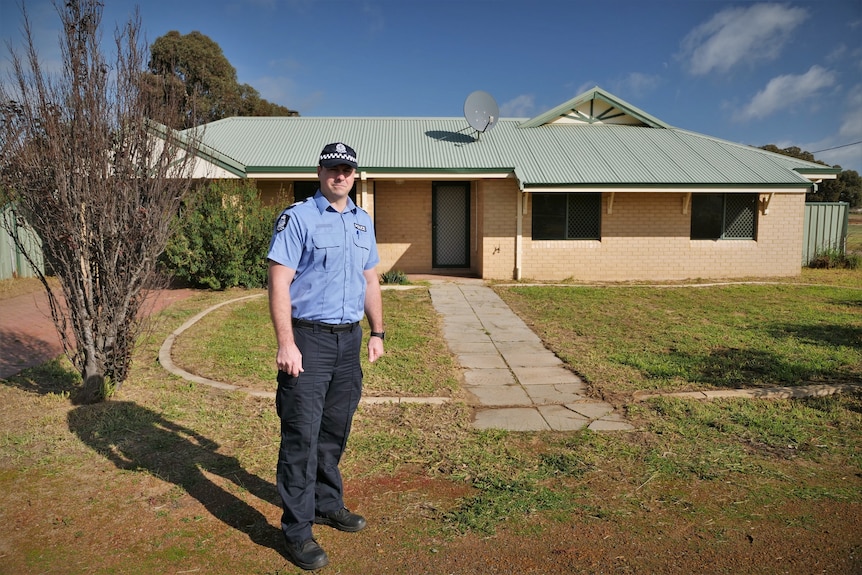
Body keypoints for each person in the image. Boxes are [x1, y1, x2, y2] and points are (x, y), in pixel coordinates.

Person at [266, 142, 385, 571]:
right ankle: (297, 531)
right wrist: (286, 342)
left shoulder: (362, 222)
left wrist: (377, 331)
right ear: (320, 172)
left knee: (335, 429)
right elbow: (279, 282)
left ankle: (326, 502)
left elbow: (370, 279)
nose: (340, 175)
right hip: (309, 340)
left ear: (355, 175)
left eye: (347, 169)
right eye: (333, 168)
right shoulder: (298, 218)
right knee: (302, 435)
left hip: (349, 341)